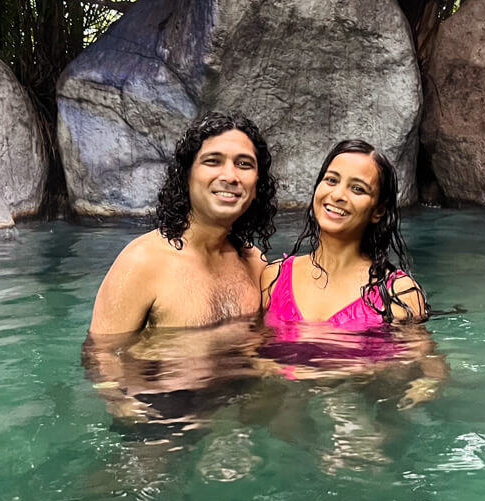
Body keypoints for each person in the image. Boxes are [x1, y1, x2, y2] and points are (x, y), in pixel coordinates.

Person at [88, 111, 277, 335]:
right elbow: (103, 361)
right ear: (186, 176)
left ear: (257, 185)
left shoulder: (256, 264)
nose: (230, 176)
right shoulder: (142, 263)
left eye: (244, 164)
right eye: (213, 161)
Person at [262, 139, 427, 327]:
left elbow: (421, 356)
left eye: (357, 189)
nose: (338, 195)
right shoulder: (274, 277)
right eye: (331, 180)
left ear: (378, 211)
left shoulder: (398, 293)